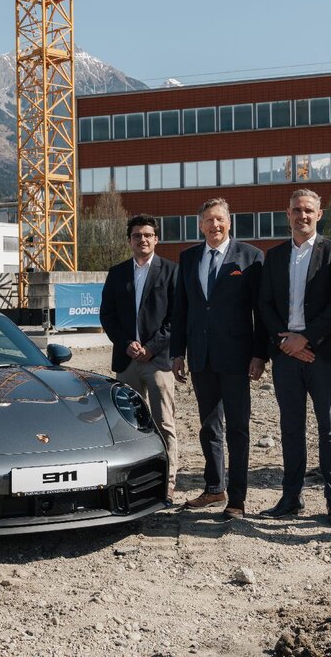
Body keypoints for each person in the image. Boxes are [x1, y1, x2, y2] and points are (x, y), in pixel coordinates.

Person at [258, 190, 331, 526]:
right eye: (297, 210)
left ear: (319, 213)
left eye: (309, 210)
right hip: (286, 355)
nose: (302, 216)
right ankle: (291, 496)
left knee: (329, 428)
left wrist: (306, 338)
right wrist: (284, 342)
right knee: (291, 428)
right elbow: (264, 304)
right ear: (288, 213)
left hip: (321, 354)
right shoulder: (275, 255)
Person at [171, 198, 267, 520]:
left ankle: (236, 499)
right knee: (209, 426)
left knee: (238, 428)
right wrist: (177, 353)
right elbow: (181, 310)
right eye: (209, 220)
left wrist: (259, 354)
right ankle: (215, 488)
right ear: (200, 225)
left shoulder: (250, 257)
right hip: (201, 357)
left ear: (229, 222)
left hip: (237, 358)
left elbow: (260, 312)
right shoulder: (188, 259)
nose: (215, 226)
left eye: (220, 220)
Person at [99, 214, 180, 500]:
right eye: (137, 235)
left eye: (147, 235)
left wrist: (152, 347)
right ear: (129, 240)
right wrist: (125, 344)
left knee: (164, 423)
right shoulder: (117, 273)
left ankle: (168, 481)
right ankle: (131, 481)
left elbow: (176, 318)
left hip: (158, 361)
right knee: (127, 424)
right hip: (127, 361)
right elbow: (107, 315)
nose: (142, 239)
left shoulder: (171, 271)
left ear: (156, 239)